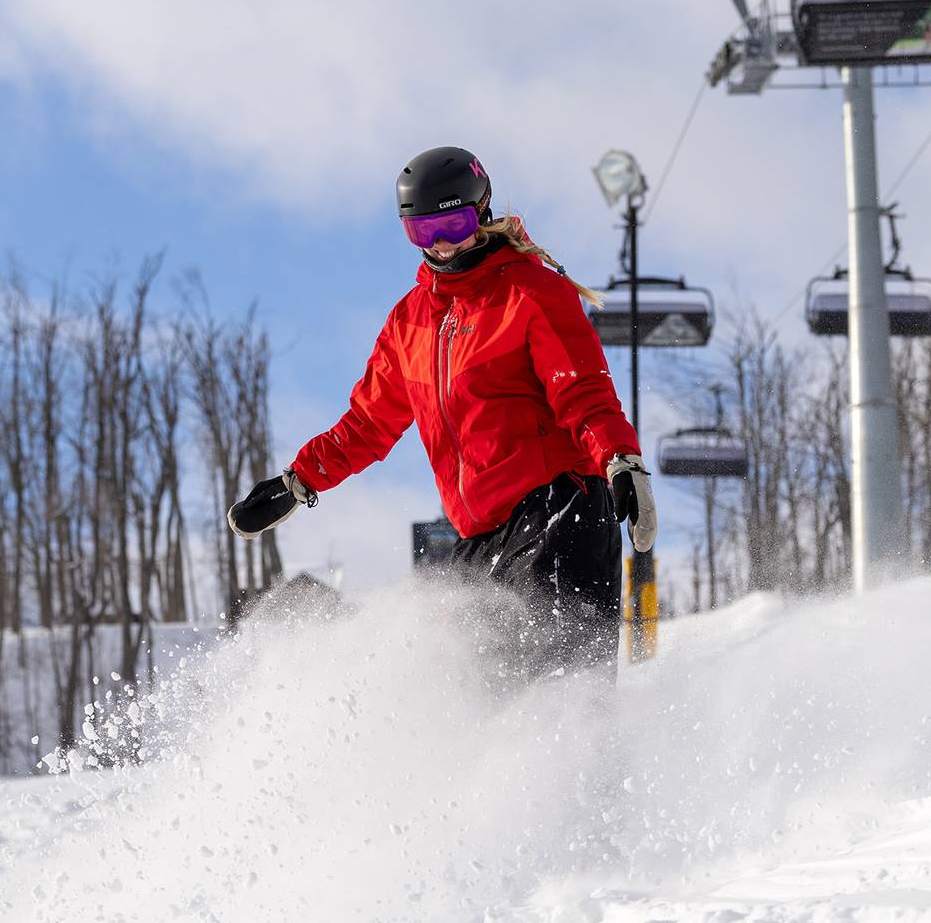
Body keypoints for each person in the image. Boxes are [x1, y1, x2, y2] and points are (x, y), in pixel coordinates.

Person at [227, 145, 656, 676]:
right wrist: (298, 480)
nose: (443, 246)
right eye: (424, 232)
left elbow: (583, 390)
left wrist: (620, 458)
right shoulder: (411, 323)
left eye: (452, 224)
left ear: (482, 212)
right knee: (467, 700)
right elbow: (367, 423)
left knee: (558, 698)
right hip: (480, 538)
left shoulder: (532, 291)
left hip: (558, 510)